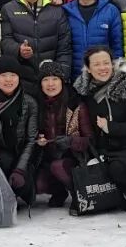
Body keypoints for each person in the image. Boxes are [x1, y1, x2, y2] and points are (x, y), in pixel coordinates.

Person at [73, 47, 126, 206]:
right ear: (88, 68)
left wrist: (111, 128)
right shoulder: (84, 92)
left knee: (118, 170)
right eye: (97, 64)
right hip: (103, 150)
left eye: (106, 63)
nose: (102, 68)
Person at [0, 57, 40, 203]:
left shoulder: (29, 102)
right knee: (4, 159)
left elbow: (31, 140)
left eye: (13, 75)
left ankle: (19, 191)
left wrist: (20, 169)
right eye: (3, 75)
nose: (8, 79)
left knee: (21, 183)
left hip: (21, 155)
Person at [0, 0, 73, 92]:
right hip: (23, 78)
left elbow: (64, 47)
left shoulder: (56, 9)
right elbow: (5, 40)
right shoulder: (8, 9)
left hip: (51, 80)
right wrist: (18, 49)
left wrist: (61, 75)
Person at [33, 59, 91, 207]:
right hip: (47, 158)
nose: (50, 84)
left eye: (55, 79)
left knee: (58, 166)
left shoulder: (75, 104)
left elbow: (90, 140)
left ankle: (79, 194)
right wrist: (39, 140)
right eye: (45, 79)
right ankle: (59, 192)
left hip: (73, 158)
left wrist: (71, 141)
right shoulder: (36, 105)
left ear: (62, 81)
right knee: (38, 184)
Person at [63, 0, 123, 70]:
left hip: (102, 72)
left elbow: (117, 44)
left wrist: (116, 69)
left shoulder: (111, 10)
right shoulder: (66, 11)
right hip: (75, 72)